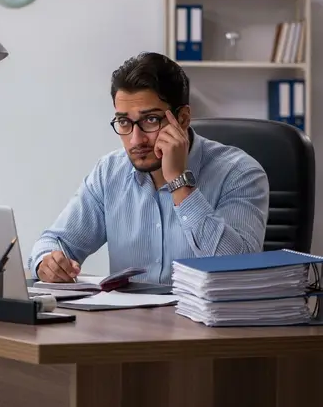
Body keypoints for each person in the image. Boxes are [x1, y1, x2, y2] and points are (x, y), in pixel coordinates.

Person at [28, 52, 269, 285]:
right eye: (124, 122)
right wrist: (47, 263)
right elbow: (55, 241)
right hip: (130, 323)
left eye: (151, 120)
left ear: (183, 119)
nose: (136, 140)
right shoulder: (109, 172)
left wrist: (179, 181)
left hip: (207, 324)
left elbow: (239, 269)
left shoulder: (239, 173)